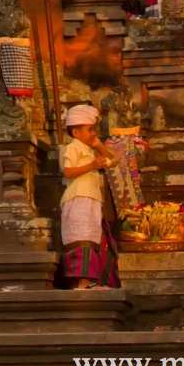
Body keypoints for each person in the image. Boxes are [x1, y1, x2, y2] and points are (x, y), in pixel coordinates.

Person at [61, 104, 120, 289]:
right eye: (90, 129)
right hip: (78, 198)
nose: (94, 133)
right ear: (76, 132)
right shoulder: (72, 148)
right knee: (82, 238)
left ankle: (92, 280)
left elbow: (114, 160)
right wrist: (92, 165)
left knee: (93, 238)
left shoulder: (88, 149)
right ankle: (82, 281)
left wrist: (98, 145)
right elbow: (68, 172)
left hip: (92, 199)